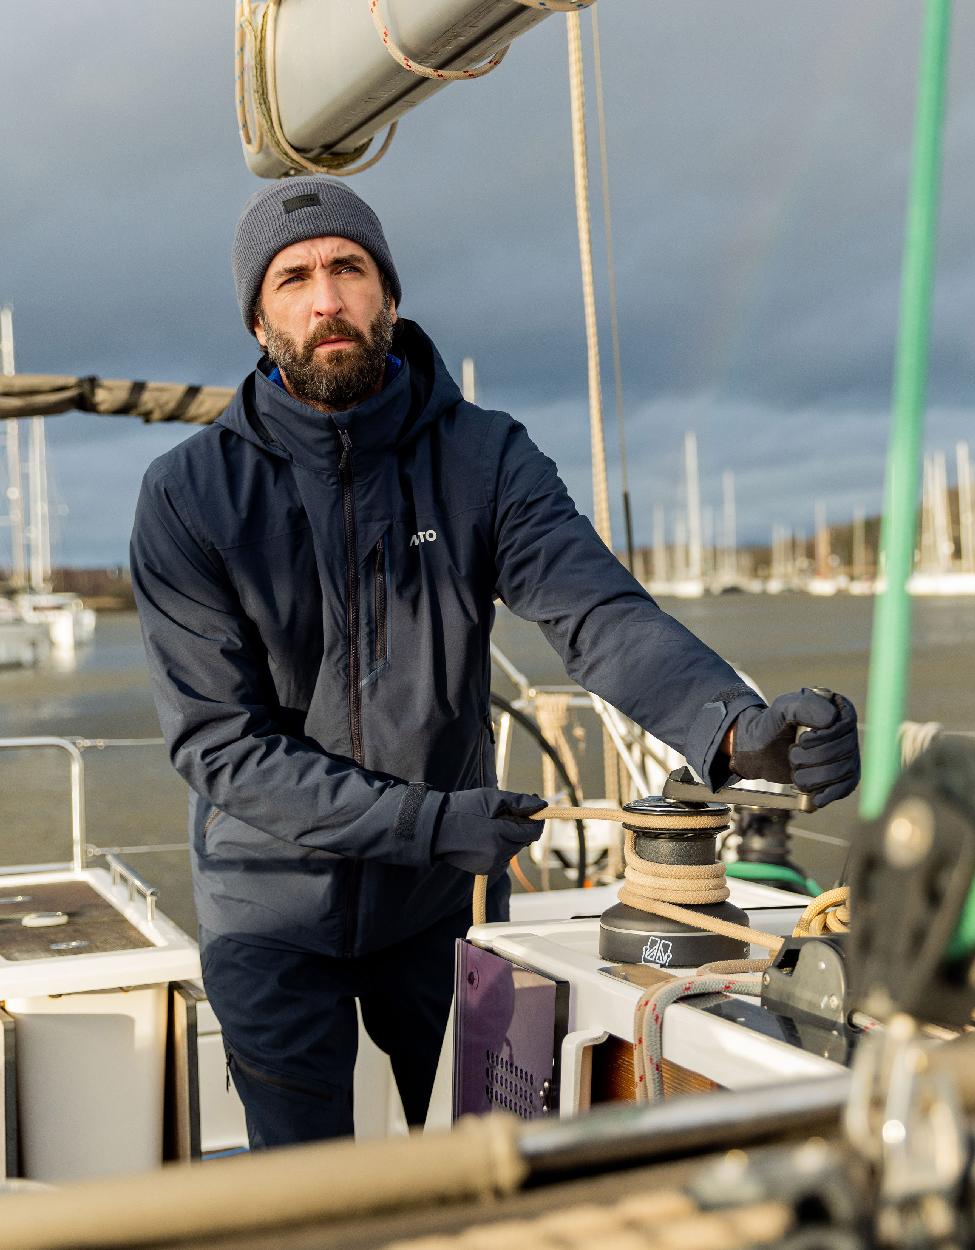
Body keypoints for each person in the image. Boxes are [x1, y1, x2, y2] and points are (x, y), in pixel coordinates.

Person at [130, 177, 861, 1149]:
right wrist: (426, 821)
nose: (324, 300)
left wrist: (733, 729)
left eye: (348, 267)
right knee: (305, 1194)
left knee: (492, 1157)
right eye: (292, 279)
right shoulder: (189, 497)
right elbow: (222, 744)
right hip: (268, 912)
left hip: (447, 907)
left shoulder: (485, 458)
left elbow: (596, 612)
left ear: (388, 292)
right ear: (257, 319)